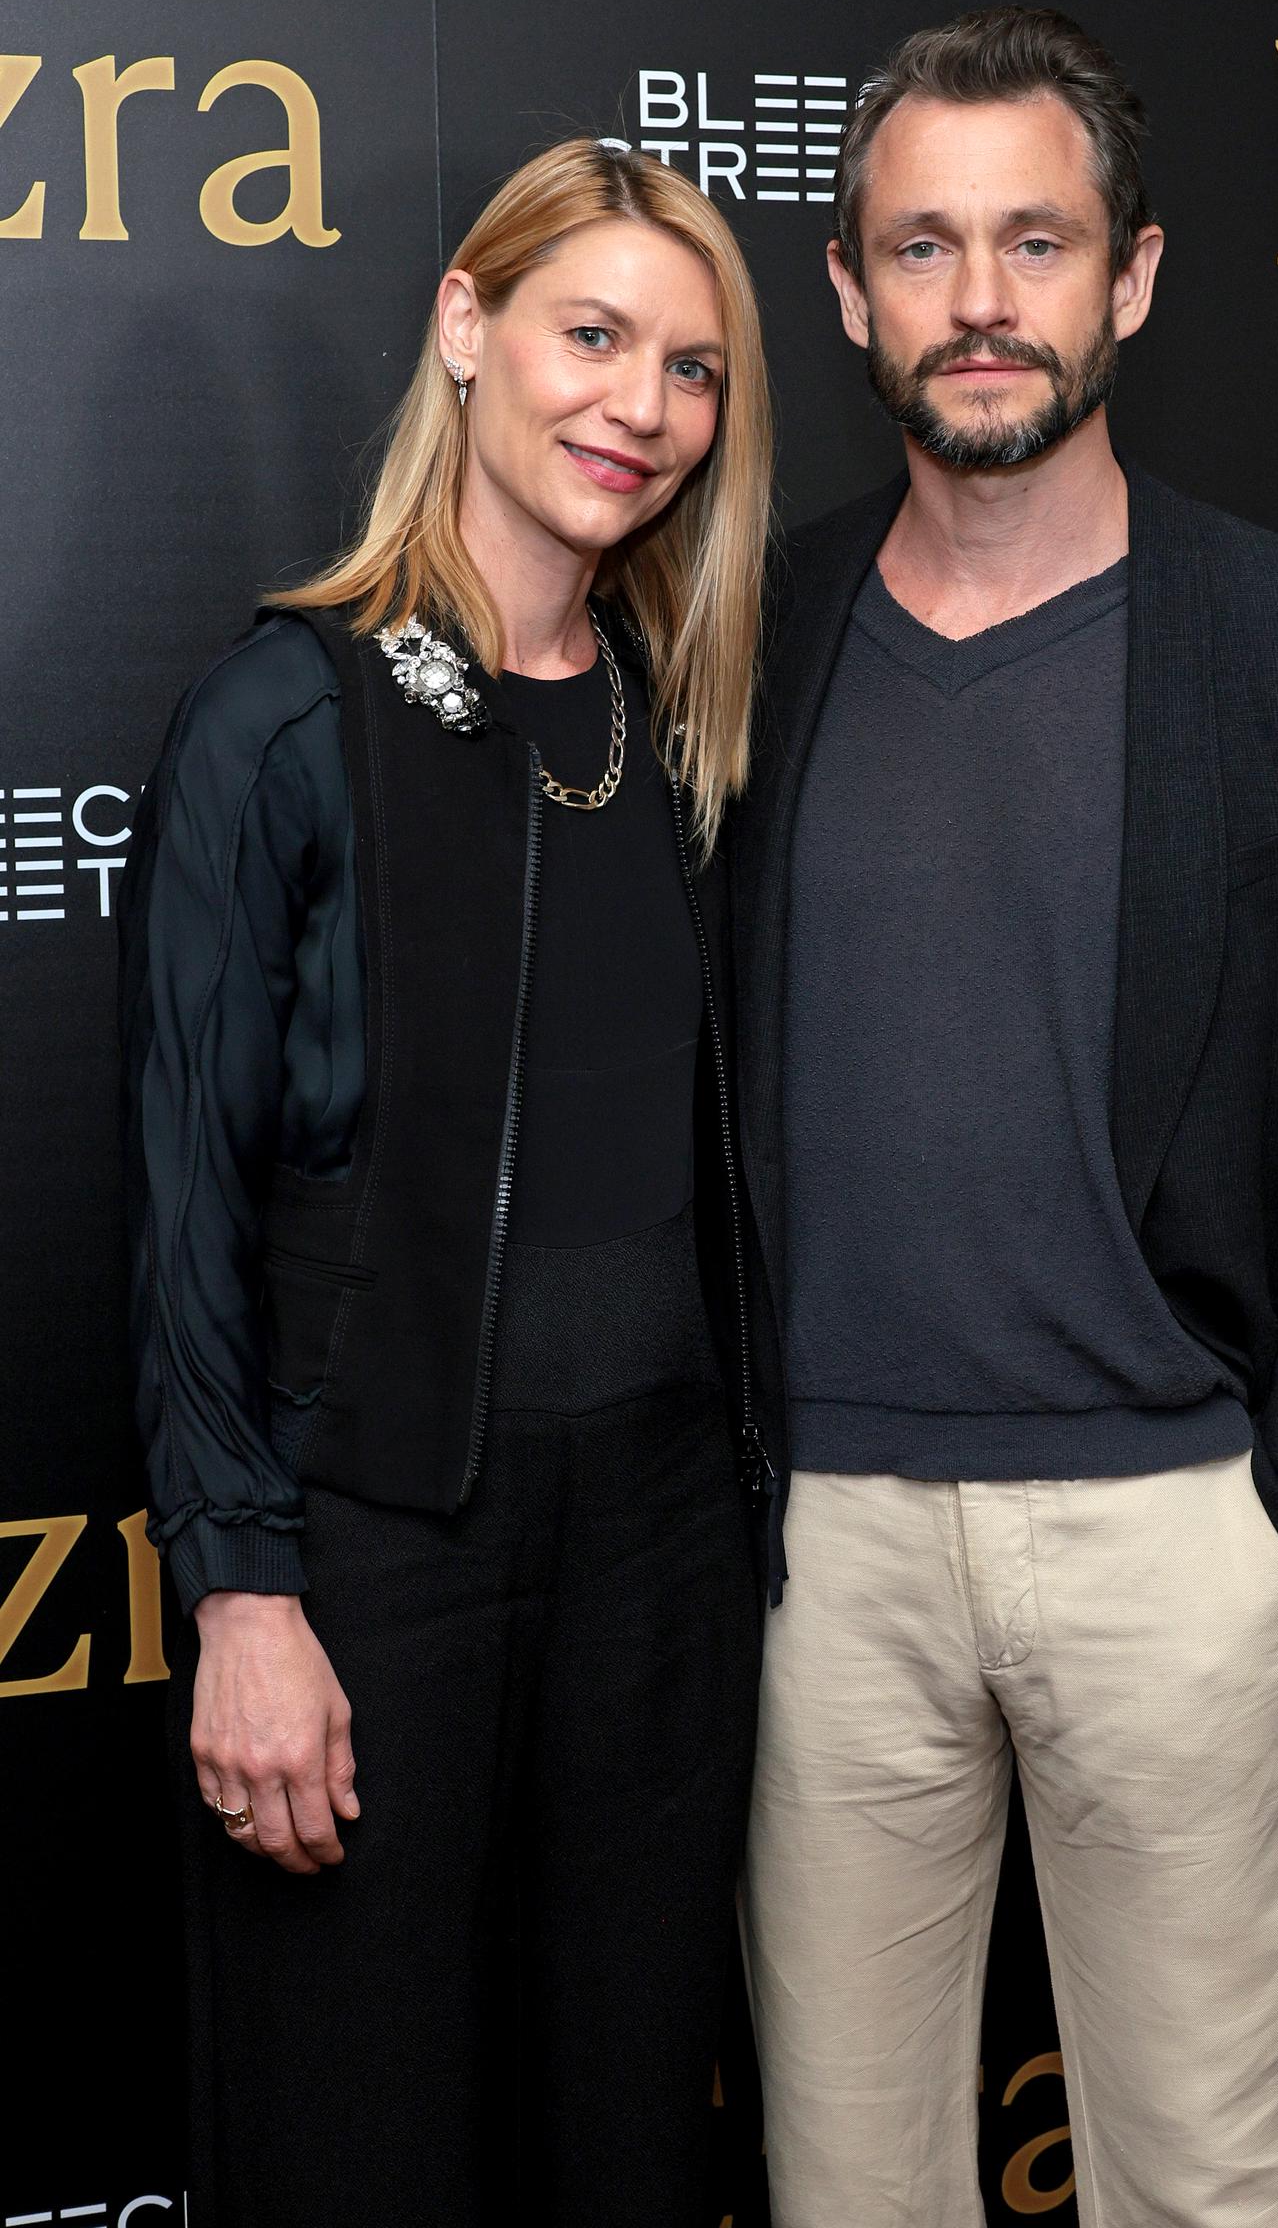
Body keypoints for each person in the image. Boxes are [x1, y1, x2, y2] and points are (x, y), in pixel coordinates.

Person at [732, 8, 1278, 2227]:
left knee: (1222, 2189)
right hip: (826, 1559)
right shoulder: (744, 635)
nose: (979, 299)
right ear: (848, 295)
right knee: (847, 2181)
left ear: (1126, 279)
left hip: (1179, 1536)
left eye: (1031, 242)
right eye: (923, 247)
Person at [120, 137, 776, 2227]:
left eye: (689, 371)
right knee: (357, 2157)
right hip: (376, 1562)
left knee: (623, 2162)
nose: (637, 409)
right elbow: (182, 1217)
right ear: (467, 327)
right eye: (591, 335)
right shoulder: (277, 721)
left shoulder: (682, 735)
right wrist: (239, 1593)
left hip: (664, 1570)